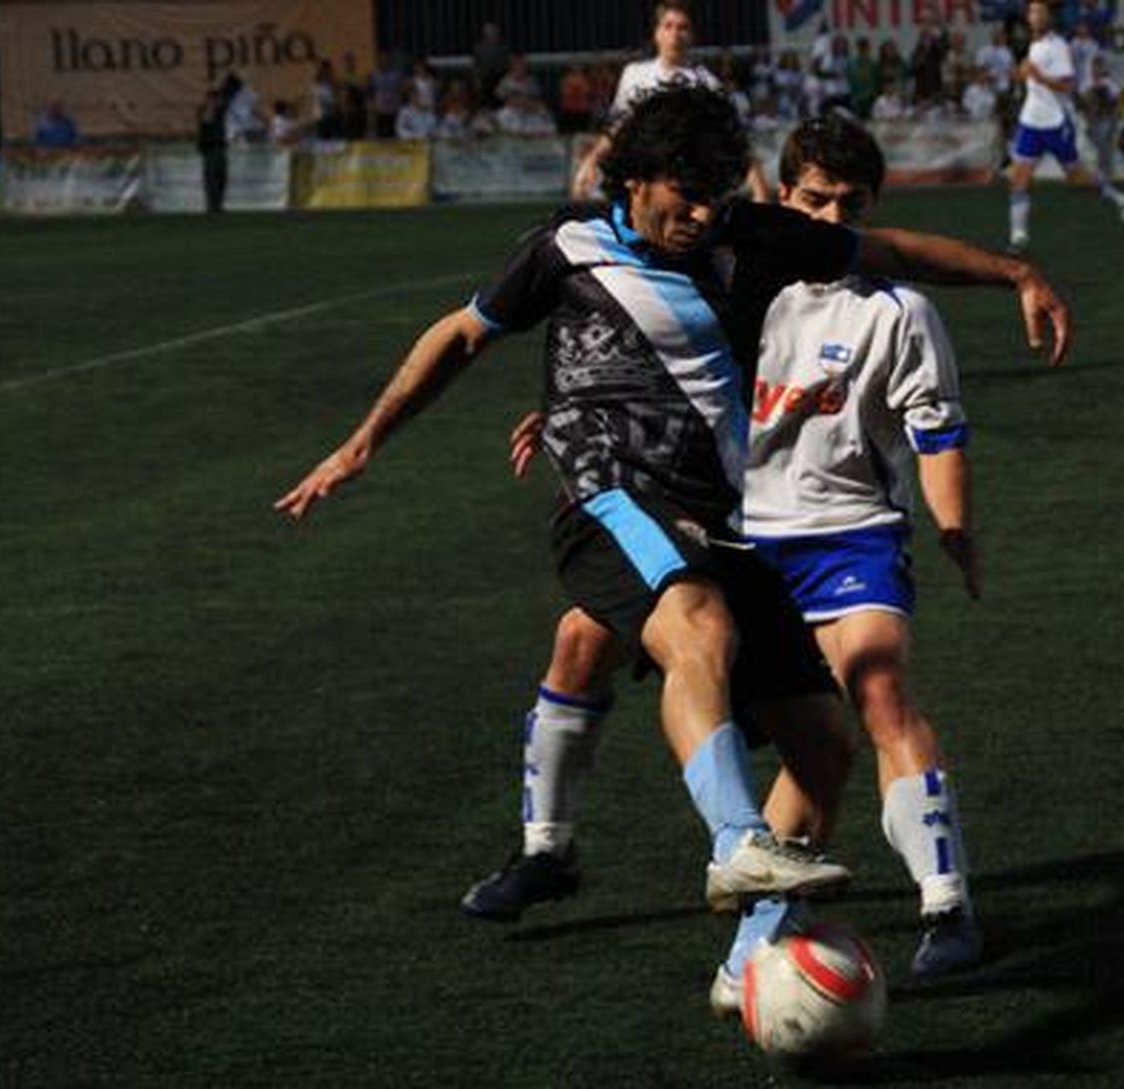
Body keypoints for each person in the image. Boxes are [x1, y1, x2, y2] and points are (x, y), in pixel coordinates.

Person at [276, 86, 1069, 1008]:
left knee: (823, 742)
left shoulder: (750, 237)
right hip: (608, 498)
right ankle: (730, 841)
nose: (701, 213)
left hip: (722, 519)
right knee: (696, 628)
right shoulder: (562, 246)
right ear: (633, 177)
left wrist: (1015, 272)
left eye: (717, 193)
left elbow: (893, 251)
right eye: (683, 194)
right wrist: (363, 442)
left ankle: (748, 967)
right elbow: (461, 335)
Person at [470, 114, 1027, 1001]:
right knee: (583, 635)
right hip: (730, 528)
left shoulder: (883, 305)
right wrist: (572, 408)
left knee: (862, 704)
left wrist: (955, 524)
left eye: (848, 203)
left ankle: (938, 903)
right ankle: (547, 847)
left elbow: (938, 428)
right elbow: (646, 366)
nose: (830, 213)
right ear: (781, 194)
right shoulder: (739, 280)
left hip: (842, 533)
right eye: (815, 197)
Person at [571, 1, 770, 201]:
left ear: (692, 35)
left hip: (686, 186)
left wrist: (759, 186)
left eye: (682, 27)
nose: (675, 34)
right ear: (657, 32)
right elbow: (618, 127)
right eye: (668, 26)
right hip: (641, 180)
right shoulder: (634, 74)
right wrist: (591, 162)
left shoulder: (706, 82)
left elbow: (733, 135)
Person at [1005, 0, 1124, 254]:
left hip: (1055, 122)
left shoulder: (1058, 46)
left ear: (1048, 18)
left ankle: (1120, 199)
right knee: (1018, 180)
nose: (1033, 16)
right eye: (1031, 12)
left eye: (1038, 12)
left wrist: (1037, 75)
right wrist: (1021, 73)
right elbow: (1026, 77)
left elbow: (1067, 86)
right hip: (1031, 120)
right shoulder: (1032, 44)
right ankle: (1018, 238)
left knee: (1079, 181)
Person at [196, 88, 228, 214]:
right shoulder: (203, 110)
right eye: (216, 99)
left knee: (222, 178)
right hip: (210, 149)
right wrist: (211, 105)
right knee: (211, 179)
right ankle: (211, 206)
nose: (219, 101)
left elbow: (226, 103)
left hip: (221, 148)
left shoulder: (220, 111)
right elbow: (206, 120)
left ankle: (219, 205)